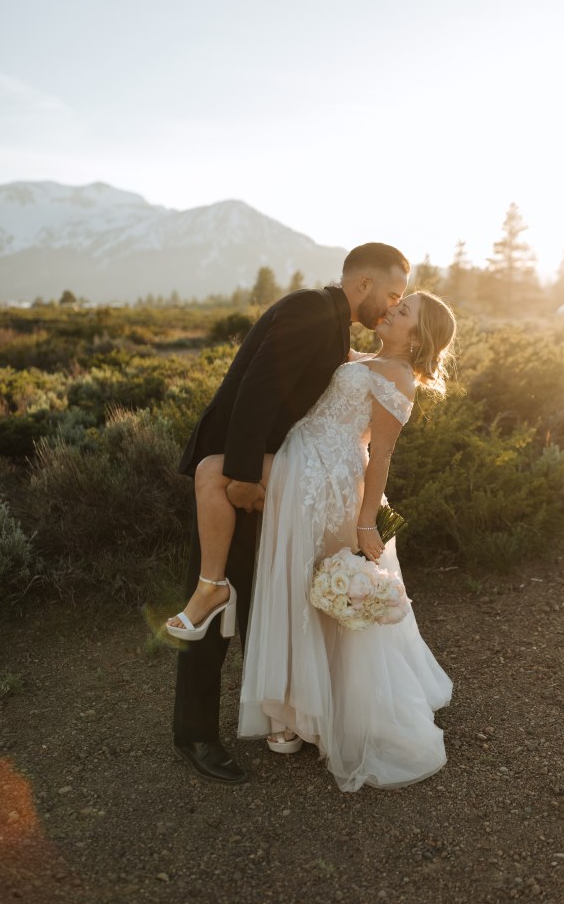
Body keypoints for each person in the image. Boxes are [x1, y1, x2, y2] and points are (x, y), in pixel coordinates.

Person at [170, 243, 409, 784]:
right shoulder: (311, 310)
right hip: (241, 474)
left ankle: (280, 716)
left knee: (263, 596)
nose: (394, 304)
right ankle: (195, 734)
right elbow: (256, 390)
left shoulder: (334, 321)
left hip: (281, 478)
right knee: (216, 593)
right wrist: (242, 475)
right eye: (392, 293)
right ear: (364, 284)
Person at [237, 290, 455, 790]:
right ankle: (294, 709)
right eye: (397, 304)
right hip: (303, 461)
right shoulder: (366, 357)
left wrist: (366, 522)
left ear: (417, 337)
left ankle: (308, 712)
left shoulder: (398, 376)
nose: (392, 310)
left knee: (312, 588)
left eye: (404, 312)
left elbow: (381, 455)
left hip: (327, 479)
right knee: (296, 583)